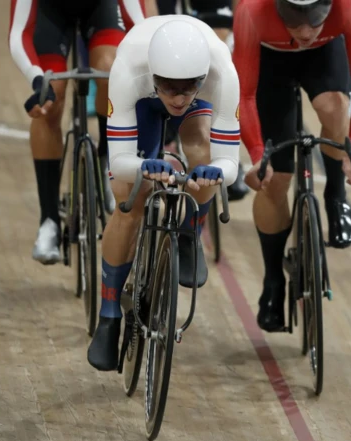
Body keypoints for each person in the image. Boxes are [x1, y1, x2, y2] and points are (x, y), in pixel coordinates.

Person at [86, 15, 241, 371]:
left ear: (201, 78)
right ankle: (109, 315)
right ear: (155, 76)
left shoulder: (222, 73)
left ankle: (190, 230)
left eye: (187, 88)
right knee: (129, 202)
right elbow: (119, 160)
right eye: (170, 87)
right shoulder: (128, 69)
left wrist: (214, 171)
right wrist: (143, 167)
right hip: (141, 101)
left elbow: (228, 165)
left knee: (202, 150)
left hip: (192, 95)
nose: (178, 97)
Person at [233, 0, 351, 332]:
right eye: (295, 21)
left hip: (324, 56)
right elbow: (245, 95)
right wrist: (258, 154)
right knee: (276, 180)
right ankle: (273, 280)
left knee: (335, 105)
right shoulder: (251, 12)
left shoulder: (350, 6)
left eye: (315, 19)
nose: (306, 31)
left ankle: (336, 198)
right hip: (269, 61)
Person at [8, 0, 132, 264]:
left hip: (102, 8)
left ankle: (106, 161)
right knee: (51, 97)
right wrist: (36, 78)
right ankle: (49, 220)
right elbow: (19, 33)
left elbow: (140, 25)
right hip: (50, 13)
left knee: (112, 74)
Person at [122, 0, 251, 201]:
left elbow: (223, 24)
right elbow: (146, 22)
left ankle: (191, 225)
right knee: (133, 198)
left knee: (203, 147)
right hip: (156, 55)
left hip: (198, 50)